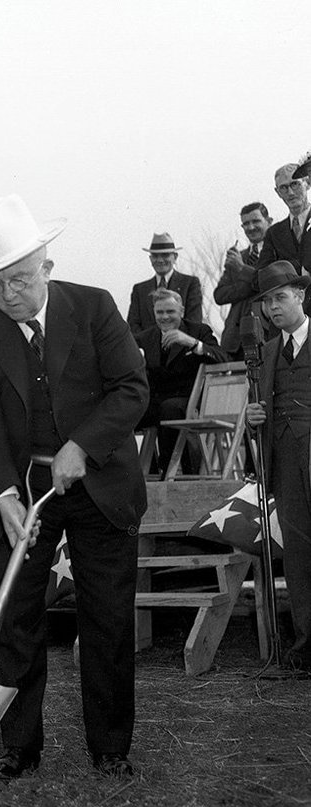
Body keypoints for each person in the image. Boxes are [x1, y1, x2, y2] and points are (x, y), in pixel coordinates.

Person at [0, 194, 148, 779]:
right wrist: (5, 495)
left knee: (107, 619)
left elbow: (131, 389)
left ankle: (110, 748)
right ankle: (20, 745)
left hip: (100, 487)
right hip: (25, 495)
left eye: (18, 280)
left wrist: (81, 446)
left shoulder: (93, 308)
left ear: (46, 267)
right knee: (17, 615)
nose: (7, 294)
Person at [244, 261, 311, 671]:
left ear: (300, 295)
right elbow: (260, 411)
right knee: (299, 554)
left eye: (281, 297)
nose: (274, 308)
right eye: (267, 301)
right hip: (285, 460)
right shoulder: (267, 352)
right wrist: (253, 415)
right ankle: (306, 645)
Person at [134, 289, 229, 474]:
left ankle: (170, 470)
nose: (165, 317)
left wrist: (193, 343)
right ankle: (144, 471)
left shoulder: (199, 331)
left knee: (169, 408)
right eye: (160, 312)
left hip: (190, 400)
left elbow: (223, 359)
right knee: (126, 409)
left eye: (170, 311)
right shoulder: (144, 338)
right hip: (156, 400)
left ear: (182, 311)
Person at [216, 203, 274, 358]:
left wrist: (242, 270)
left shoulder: (277, 252)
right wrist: (252, 284)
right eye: (246, 223)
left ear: (269, 221)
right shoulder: (238, 257)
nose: (251, 227)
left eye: (256, 221)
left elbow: (271, 283)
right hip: (235, 342)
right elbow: (220, 295)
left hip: (267, 338)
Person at [127, 232, 202, 335]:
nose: (160, 260)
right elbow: (133, 324)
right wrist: (150, 343)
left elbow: (194, 321)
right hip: (148, 348)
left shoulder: (190, 284)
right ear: (150, 259)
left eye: (165, 255)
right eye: (155, 256)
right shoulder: (139, 290)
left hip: (181, 346)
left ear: (175, 257)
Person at [256, 164, 311, 285]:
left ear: (307, 183)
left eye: (295, 184)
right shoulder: (274, 233)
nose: (290, 193)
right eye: (283, 188)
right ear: (277, 192)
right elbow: (261, 275)